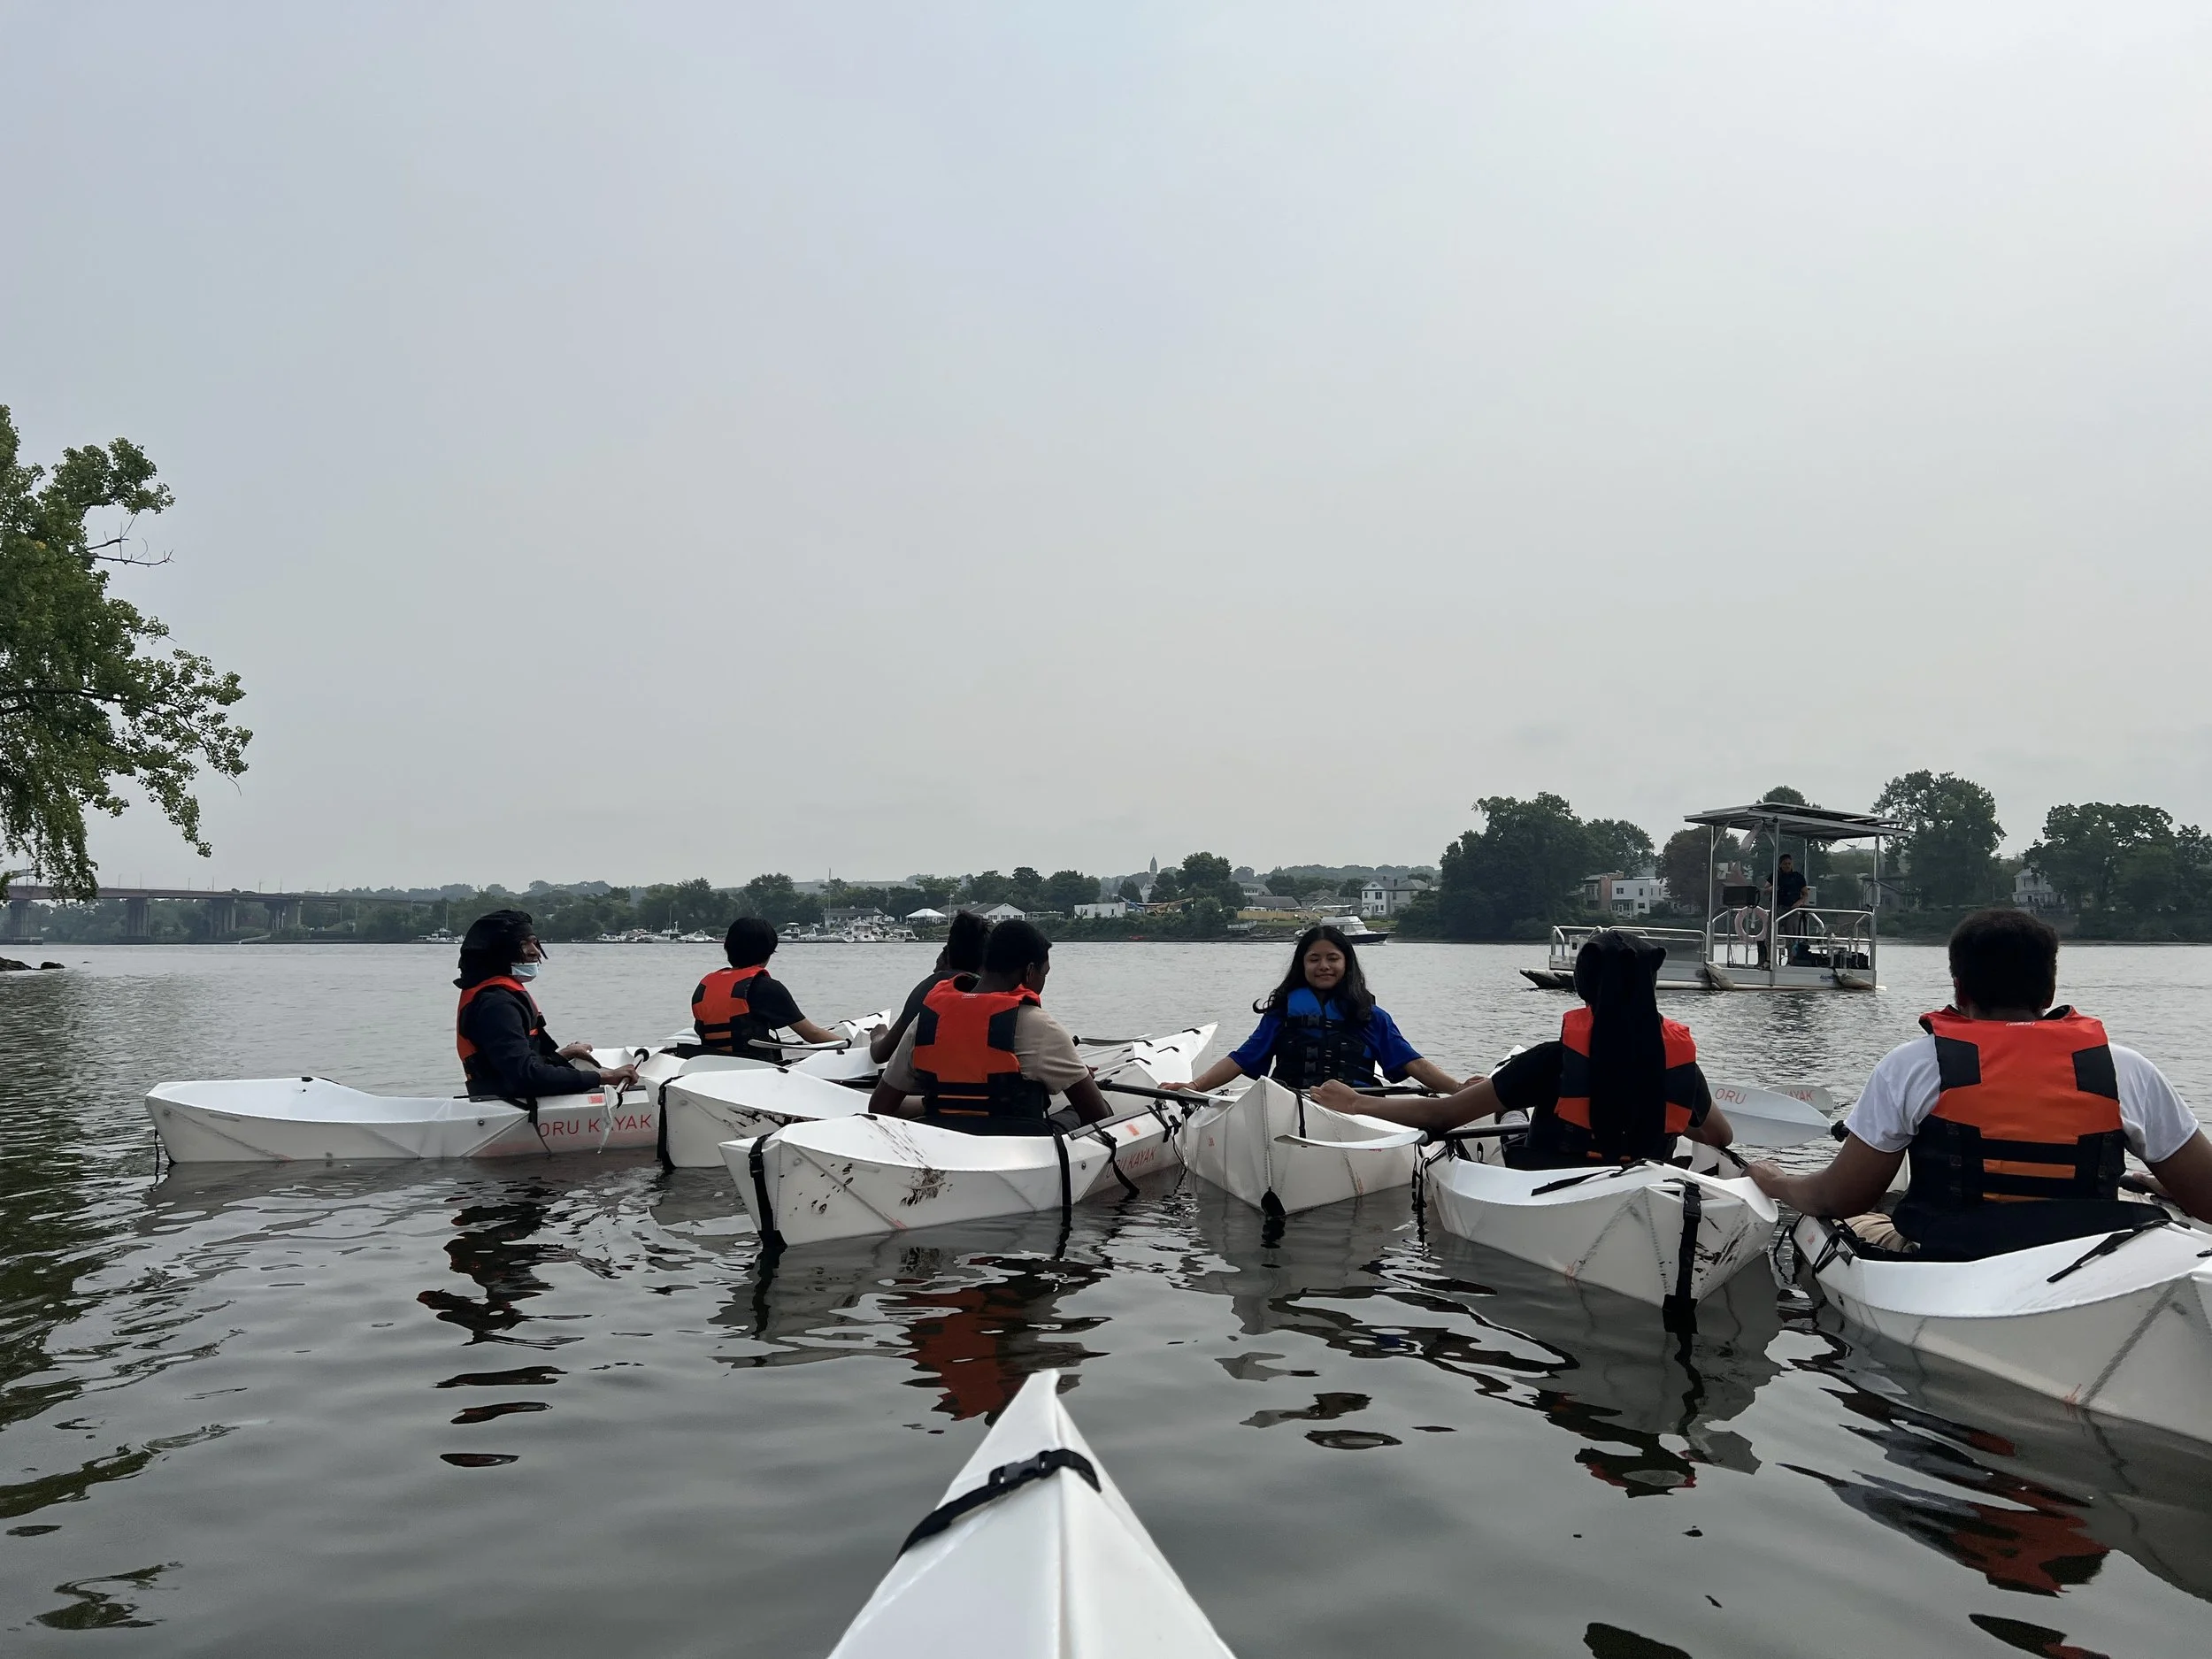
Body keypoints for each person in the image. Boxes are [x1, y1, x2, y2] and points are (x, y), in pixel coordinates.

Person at [1751, 909, 2212, 1259]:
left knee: (1860, 1219)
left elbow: (1842, 1197)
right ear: (2049, 991)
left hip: (1956, 1256)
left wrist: (1776, 1181)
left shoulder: (1914, 1065)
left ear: (1959, 990)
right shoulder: (2124, 1069)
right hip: (2088, 1257)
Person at [1313, 929, 1733, 1168]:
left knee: (1508, 1104)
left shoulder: (1552, 1060)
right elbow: (1719, 1135)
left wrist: (1355, 1104)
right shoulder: (1681, 1066)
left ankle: (1508, 1109)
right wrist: (1659, 1111)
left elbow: (1439, 1116)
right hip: (1646, 1174)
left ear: (1583, 986)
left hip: (1549, 1179)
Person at [867, 920, 1112, 1134]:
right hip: (1019, 1148)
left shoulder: (926, 1020)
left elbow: (879, 1107)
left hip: (941, 1140)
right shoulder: (1040, 1026)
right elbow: (1097, 1116)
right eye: (1043, 973)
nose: (1043, 981)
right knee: (1093, 1109)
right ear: (1029, 972)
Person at [1164, 924, 1462, 1097]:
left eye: (1333, 958)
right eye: (1314, 959)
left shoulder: (1371, 1016)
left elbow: (1413, 1063)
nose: (1324, 966)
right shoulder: (1281, 1014)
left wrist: (1458, 1089)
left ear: (1346, 965)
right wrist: (1194, 1085)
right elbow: (1241, 1059)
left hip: (1358, 1104)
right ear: (1302, 964)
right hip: (1289, 1103)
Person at [455, 910, 637, 1101]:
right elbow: (526, 1077)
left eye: (534, 942)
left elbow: (518, 1067)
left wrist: (562, 1055)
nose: (534, 951)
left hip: (510, 1095)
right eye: (523, 945)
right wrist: (603, 1077)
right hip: (508, 1105)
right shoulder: (496, 1005)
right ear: (498, 953)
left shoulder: (501, 996)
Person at [691, 917, 843, 1061]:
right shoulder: (766, 987)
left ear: (728, 948)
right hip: (756, 1069)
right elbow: (811, 1034)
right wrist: (850, 1044)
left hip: (712, 1065)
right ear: (768, 952)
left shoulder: (704, 987)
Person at [869, 910, 992, 1065]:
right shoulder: (995, 992)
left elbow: (881, 1054)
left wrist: (878, 1035)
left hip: (936, 1083)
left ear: (946, 954)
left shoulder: (931, 988)